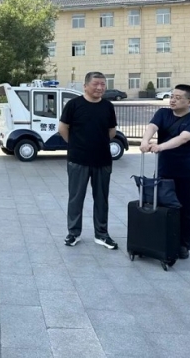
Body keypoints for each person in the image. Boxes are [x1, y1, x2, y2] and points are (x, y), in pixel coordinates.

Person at [139, 84, 190, 260]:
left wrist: (160, 147)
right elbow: (152, 127)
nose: (173, 100)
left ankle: (183, 244)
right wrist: (145, 141)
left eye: (178, 97)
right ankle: (160, 240)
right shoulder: (163, 113)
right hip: (164, 169)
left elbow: (183, 138)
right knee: (160, 204)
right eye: (172, 96)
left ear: (189, 102)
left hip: (186, 172)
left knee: (185, 208)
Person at [58, 71, 118, 249]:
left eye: (103, 84)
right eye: (95, 84)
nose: (100, 87)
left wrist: (99, 143)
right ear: (85, 86)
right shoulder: (74, 105)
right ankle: (73, 233)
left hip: (102, 160)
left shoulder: (107, 106)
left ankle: (101, 234)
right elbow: (63, 128)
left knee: (102, 199)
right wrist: (76, 144)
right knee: (76, 198)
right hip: (78, 160)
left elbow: (112, 131)